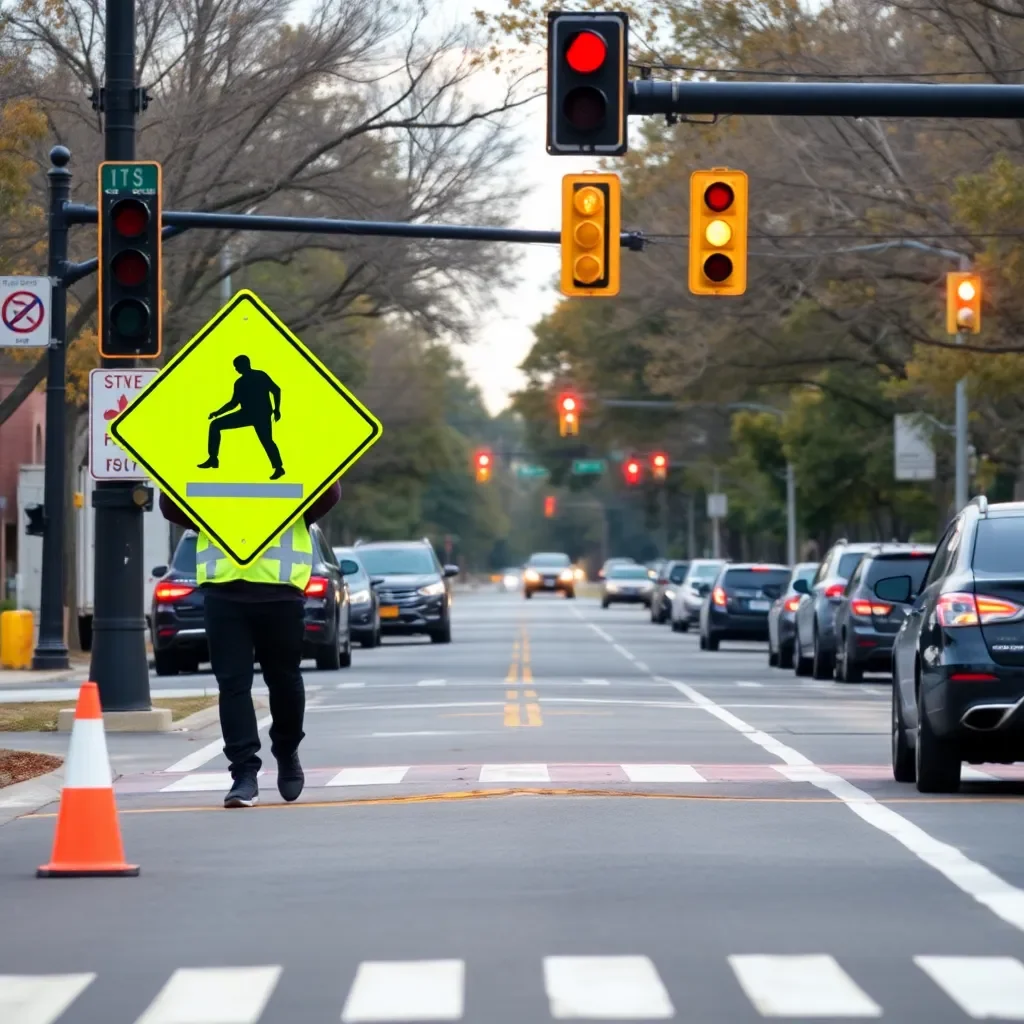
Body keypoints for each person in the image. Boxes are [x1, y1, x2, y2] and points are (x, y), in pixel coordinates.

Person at [159, 480, 341, 807]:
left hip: (281, 592)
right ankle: (244, 774)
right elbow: (171, 506)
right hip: (223, 592)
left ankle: (286, 750)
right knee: (233, 685)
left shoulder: (288, 469)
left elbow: (330, 491)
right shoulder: (215, 472)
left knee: (284, 681)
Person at [199, 355, 285, 479]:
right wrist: (217, 413)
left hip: (261, 415)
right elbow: (234, 403)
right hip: (246, 414)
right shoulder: (240, 382)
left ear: (243, 365)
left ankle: (279, 468)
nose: (236, 369)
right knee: (215, 425)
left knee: (267, 441)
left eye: (237, 366)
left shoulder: (260, 376)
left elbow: (276, 390)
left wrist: (277, 409)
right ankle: (213, 459)